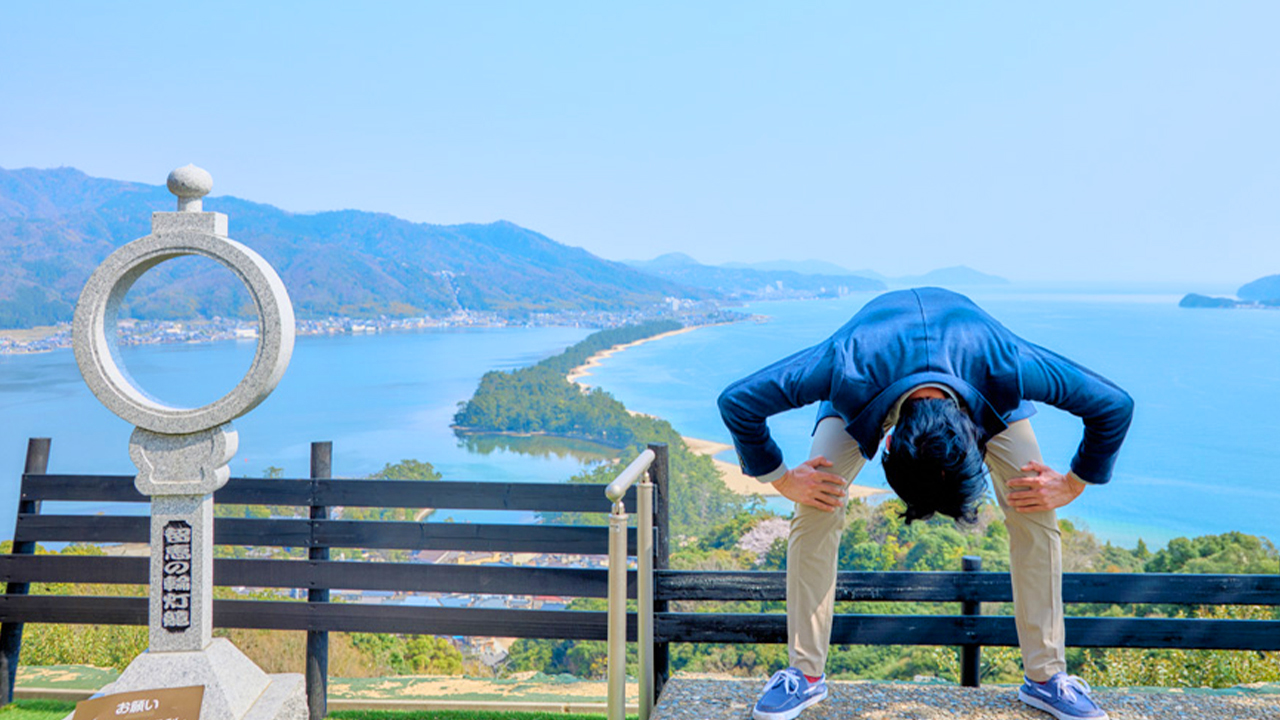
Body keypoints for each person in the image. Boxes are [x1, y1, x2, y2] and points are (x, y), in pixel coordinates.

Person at [717, 287, 1133, 720]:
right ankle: (803, 675)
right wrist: (784, 480)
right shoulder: (845, 362)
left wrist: (1073, 483)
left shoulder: (1005, 363)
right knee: (816, 502)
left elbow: (1114, 406)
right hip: (866, 386)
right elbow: (738, 403)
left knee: (1035, 504)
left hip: (979, 379)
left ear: (977, 436)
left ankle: (1046, 677)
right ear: (887, 438)